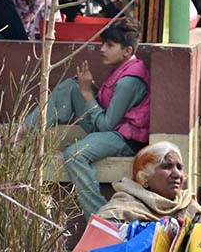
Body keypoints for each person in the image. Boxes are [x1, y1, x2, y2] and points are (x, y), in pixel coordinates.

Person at [21, 18, 150, 217]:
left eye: (110, 45)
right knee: (71, 87)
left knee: (74, 155)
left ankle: (99, 216)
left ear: (128, 51)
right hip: (108, 127)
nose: (102, 49)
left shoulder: (129, 81)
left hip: (124, 138)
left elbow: (107, 126)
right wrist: (83, 90)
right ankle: (23, 133)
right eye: (103, 44)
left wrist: (88, 93)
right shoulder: (121, 68)